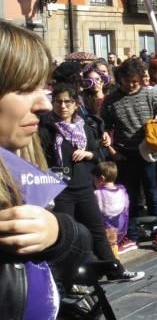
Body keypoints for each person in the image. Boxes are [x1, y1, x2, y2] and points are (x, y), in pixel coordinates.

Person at [0, 19, 90, 320]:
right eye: (23, 89)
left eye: (45, 88)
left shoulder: (19, 164)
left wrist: (56, 232)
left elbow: (76, 247)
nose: (45, 104)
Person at [40, 83, 143, 281]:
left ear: (75, 104)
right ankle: (67, 279)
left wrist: (88, 153)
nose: (62, 106)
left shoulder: (84, 127)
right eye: (58, 102)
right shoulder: (47, 129)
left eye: (67, 102)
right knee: (66, 236)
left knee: (97, 231)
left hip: (84, 187)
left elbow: (98, 155)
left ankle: (116, 271)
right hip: (61, 190)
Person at [102, 58, 157, 240]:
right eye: (127, 81)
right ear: (120, 79)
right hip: (124, 155)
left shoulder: (149, 95)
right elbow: (103, 127)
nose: (131, 85)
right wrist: (112, 150)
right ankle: (132, 233)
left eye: (135, 81)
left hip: (149, 154)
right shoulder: (111, 100)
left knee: (153, 194)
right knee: (130, 195)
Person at [94, 160, 133, 256]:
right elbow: (126, 206)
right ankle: (115, 259)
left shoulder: (98, 193)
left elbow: (96, 211)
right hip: (120, 224)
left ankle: (113, 263)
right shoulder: (122, 189)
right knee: (114, 245)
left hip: (105, 226)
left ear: (101, 178)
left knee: (107, 248)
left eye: (94, 179)